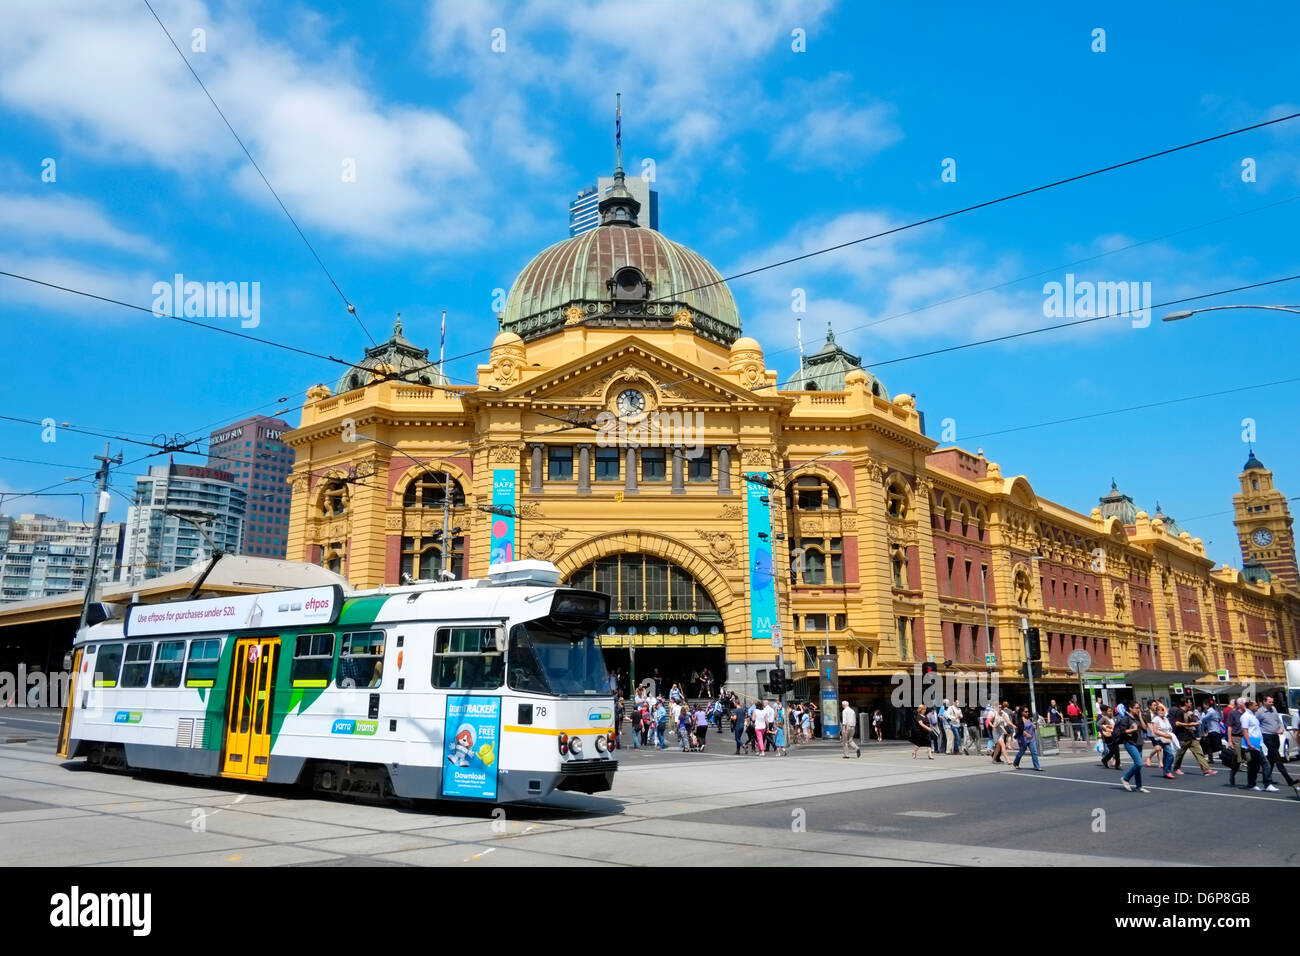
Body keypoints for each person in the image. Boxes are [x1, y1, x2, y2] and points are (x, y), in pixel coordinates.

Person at [1257, 696, 1297, 792]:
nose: (1272, 704)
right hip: (1267, 737)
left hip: (1276, 736)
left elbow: (1278, 721)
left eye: (1272, 702)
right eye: (1270, 702)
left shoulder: (1273, 709)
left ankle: (1267, 778)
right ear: (1264, 702)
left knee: (1271, 759)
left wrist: (1281, 728)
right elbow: (1255, 724)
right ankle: (1289, 780)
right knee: (1277, 758)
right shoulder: (1259, 712)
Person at [1170, 697, 1216, 776]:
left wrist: (1192, 717)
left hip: (1191, 736)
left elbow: (1195, 720)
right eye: (1189, 702)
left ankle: (1206, 770)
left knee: (1199, 752)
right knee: (1180, 754)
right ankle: (1176, 767)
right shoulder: (1179, 712)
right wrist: (1189, 724)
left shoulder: (1188, 712)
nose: (1191, 703)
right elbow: (1177, 723)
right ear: (1185, 703)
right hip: (1183, 737)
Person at [1115, 701, 1150, 792]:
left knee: (1138, 766)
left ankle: (1139, 786)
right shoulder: (1126, 719)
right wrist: (1132, 730)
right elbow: (1123, 731)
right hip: (1130, 743)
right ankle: (1125, 778)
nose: (1138, 710)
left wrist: (1141, 717)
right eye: (1136, 708)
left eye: (1139, 708)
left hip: (1139, 742)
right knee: (1139, 763)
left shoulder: (1138, 718)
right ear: (1130, 708)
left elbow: (1144, 728)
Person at [1240, 699, 1270, 791]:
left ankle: (1251, 784)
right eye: (1256, 705)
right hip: (1252, 744)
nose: (1257, 707)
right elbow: (1245, 730)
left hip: (1257, 743)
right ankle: (1267, 784)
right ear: (1250, 706)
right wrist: (1249, 744)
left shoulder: (1253, 715)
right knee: (1265, 763)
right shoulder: (1245, 716)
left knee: (1253, 765)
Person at [1012, 705, 1043, 771]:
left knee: (1034, 752)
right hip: (1023, 739)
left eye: (1028, 711)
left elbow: (1032, 726)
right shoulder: (1020, 720)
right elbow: (1020, 729)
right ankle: (1016, 762)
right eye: (1026, 711)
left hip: (1031, 738)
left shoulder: (1030, 719)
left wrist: (1034, 727)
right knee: (1022, 752)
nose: (1027, 713)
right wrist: (1027, 734)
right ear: (1022, 712)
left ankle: (1037, 766)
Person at [1224, 699, 1245, 786]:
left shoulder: (1247, 713)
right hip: (1236, 738)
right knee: (1238, 760)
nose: (1246, 705)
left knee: (1250, 758)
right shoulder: (1232, 713)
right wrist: (1230, 741)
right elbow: (1229, 727)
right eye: (1244, 704)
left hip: (1246, 738)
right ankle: (1232, 774)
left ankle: (1252, 781)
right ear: (1239, 705)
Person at [1097, 705, 1122, 769]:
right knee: (1112, 750)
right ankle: (1105, 760)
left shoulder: (1114, 718)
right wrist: (1105, 728)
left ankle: (1117, 765)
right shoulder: (1104, 718)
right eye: (1109, 711)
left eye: (1111, 711)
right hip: (1108, 737)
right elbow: (1098, 724)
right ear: (1106, 712)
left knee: (1117, 750)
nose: (1110, 712)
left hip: (1114, 736)